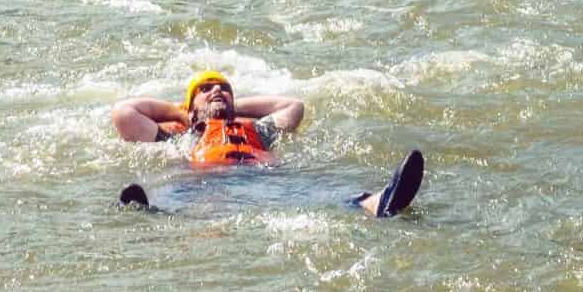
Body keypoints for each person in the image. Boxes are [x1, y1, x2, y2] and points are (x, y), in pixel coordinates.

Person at [109, 68, 423, 217]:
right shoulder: (182, 136)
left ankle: (378, 202)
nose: (216, 90)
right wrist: (185, 112)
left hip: (263, 178)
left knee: (319, 190)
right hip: (205, 182)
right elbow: (125, 114)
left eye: (223, 88)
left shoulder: (258, 130)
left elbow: (293, 107)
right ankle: (146, 209)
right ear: (190, 105)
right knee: (173, 195)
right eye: (206, 88)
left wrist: (229, 106)